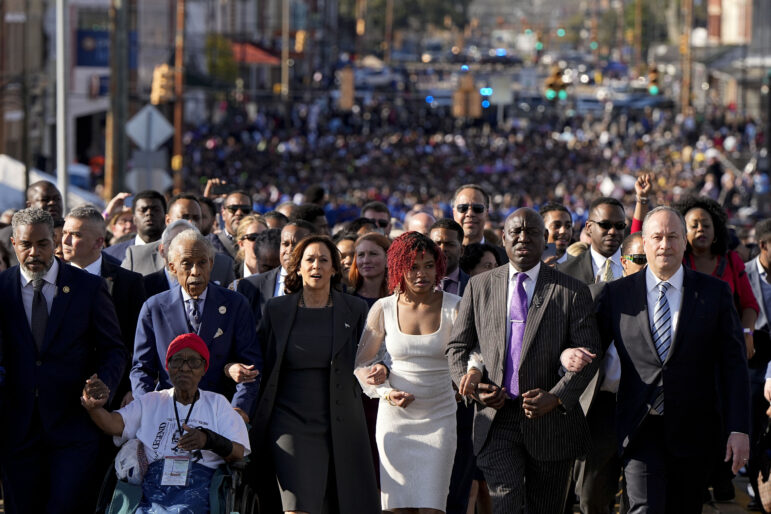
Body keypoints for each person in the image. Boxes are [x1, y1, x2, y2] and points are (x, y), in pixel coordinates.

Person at [594, 206, 750, 512]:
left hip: (696, 430)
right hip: (640, 426)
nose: (665, 244)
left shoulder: (715, 293)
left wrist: (739, 428)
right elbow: (591, 346)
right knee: (644, 508)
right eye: (657, 237)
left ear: (685, 242)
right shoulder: (616, 294)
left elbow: (734, 365)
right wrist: (569, 354)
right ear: (645, 242)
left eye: (672, 237)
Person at [446, 207, 601, 513]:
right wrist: (475, 387)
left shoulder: (571, 290)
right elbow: (457, 347)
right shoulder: (479, 286)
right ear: (503, 238)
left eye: (531, 232)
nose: (522, 238)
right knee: (506, 504)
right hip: (496, 418)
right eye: (515, 232)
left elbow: (589, 354)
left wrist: (556, 398)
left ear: (544, 239)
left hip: (551, 422)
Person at [0, 208, 127, 514]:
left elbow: (114, 350)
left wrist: (104, 385)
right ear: (14, 244)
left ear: (55, 241)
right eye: (26, 245)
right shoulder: (2, 289)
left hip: (73, 428)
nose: (34, 253)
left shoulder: (88, 288)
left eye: (43, 244)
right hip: (17, 430)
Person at [251, 235, 380, 513]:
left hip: (341, 420)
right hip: (289, 421)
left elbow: (372, 356)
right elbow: (258, 358)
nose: (316, 266)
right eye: (309, 260)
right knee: (296, 505)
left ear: (335, 268)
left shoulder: (355, 308)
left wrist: (377, 370)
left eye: (324, 260)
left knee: (335, 502)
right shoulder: (277, 309)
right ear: (297, 267)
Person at [81, 333, 250, 514]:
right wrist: (95, 408)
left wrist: (208, 440)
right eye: (177, 361)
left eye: (193, 362)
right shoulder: (151, 401)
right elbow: (112, 423)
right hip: (153, 485)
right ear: (168, 367)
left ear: (203, 368)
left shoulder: (217, 403)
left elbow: (238, 452)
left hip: (199, 484)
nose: (185, 368)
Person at [354, 232, 459, 513]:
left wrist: (471, 373)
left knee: (433, 507)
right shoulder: (383, 308)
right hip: (395, 420)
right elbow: (361, 365)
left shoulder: (454, 306)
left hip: (440, 417)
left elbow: (473, 353)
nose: (421, 273)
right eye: (413, 266)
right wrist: (385, 391)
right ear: (399, 267)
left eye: (428, 265)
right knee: (397, 508)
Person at [131, 229, 262, 422]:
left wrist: (238, 410)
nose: (195, 271)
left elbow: (250, 367)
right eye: (187, 263)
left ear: (211, 264)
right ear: (172, 267)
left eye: (202, 262)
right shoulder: (154, 307)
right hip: (167, 415)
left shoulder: (235, 304)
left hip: (220, 415)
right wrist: (149, 411)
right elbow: (141, 369)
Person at [62, 205, 147, 407]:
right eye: (64, 233)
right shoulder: (54, 281)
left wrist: (131, 387)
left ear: (99, 241)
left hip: (116, 396)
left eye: (75, 235)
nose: (65, 241)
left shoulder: (129, 283)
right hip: (64, 396)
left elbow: (139, 340)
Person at [122, 194, 236, 287]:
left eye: (196, 218)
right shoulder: (137, 257)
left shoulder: (222, 264)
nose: (191, 223)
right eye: (185, 217)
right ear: (168, 220)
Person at [742, 218, 771, 508]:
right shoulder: (744, 274)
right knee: (752, 431)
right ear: (763, 245)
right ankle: (756, 489)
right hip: (751, 367)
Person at [236, 220, 316, 318]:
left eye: (296, 245)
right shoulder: (250, 287)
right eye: (285, 244)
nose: (289, 250)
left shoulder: (325, 287)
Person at [558, 197, 626, 284]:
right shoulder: (566, 272)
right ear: (589, 227)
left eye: (620, 225)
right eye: (605, 225)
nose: (613, 231)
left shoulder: (638, 265)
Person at [0, 180, 64, 267]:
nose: (52, 203)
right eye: (45, 199)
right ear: (29, 205)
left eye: (57, 199)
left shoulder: (72, 232)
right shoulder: (5, 236)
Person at [103, 190, 167, 261]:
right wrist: (107, 214)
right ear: (134, 218)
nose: (149, 213)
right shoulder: (112, 255)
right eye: (143, 210)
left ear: (166, 216)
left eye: (155, 209)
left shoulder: (175, 251)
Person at [451, 184, 507, 263]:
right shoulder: (441, 257)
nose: (470, 213)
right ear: (454, 213)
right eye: (463, 208)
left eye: (477, 208)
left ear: (486, 213)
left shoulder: (504, 258)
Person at [349, 232, 391, 306]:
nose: (366, 261)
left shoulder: (399, 299)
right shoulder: (347, 298)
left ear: (388, 259)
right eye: (361, 255)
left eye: (373, 254)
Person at [431, 219, 468, 297]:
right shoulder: (416, 284)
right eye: (437, 244)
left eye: (450, 244)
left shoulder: (474, 286)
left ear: (461, 251)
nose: (442, 249)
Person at [211, 190, 253, 260]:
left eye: (245, 209)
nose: (239, 213)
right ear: (223, 213)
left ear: (252, 214)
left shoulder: (259, 244)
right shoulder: (209, 244)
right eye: (233, 209)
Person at [234, 214, 269, 279]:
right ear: (241, 244)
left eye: (264, 236)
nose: (260, 240)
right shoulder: (231, 274)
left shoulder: (275, 274)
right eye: (253, 237)